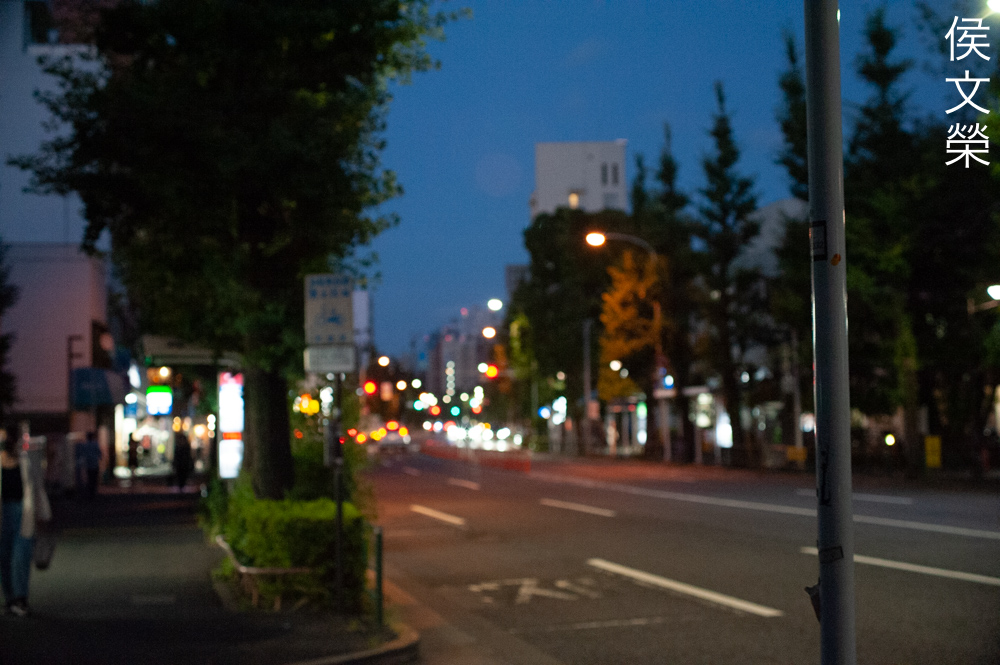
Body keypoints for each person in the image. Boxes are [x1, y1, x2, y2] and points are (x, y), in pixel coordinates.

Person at [0, 428, 52, 617]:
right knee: (4, 558)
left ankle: (21, 599)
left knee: (20, 558)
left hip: (24, 514)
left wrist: (43, 515)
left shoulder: (25, 461)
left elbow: (37, 488)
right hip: (3, 515)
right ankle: (10, 599)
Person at [76, 432, 102, 498]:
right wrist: (100, 458)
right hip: (94, 464)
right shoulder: (95, 444)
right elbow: (99, 452)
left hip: (89, 464)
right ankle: (93, 491)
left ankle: (90, 492)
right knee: (94, 478)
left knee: (90, 478)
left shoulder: (85, 445)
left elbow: (82, 454)